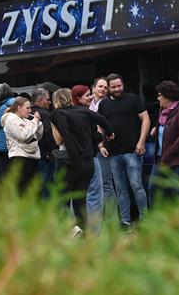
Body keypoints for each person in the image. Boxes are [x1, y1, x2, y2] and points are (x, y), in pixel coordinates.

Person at [50, 88, 113, 238]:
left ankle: (71, 230)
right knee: (80, 200)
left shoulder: (57, 114)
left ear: (56, 101)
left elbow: (64, 136)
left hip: (71, 161)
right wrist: (109, 133)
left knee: (61, 198)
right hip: (88, 163)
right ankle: (83, 233)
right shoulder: (82, 111)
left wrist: (73, 157)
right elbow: (102, 120)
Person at [98, 74, 151, 229]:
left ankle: (145, 219)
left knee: (136, 185)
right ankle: (126, 221)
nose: (117, 89)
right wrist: (101, 145)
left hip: (132, 151)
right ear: (108, 88)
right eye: (113, 87)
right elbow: (100, 127)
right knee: (120, 189)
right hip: (113, 153)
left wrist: (141, 142)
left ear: (123, 84)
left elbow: (146, 119)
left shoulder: (133, 99)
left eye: (119, 86)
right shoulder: (103, 104)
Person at [153, 80, 179, 205]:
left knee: (178, 193)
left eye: (160, 95)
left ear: (168, 97)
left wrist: (170, 152)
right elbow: (167, 129)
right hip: (162, 159)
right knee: (154, 190)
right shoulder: (163, 112)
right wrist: (157, 130)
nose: (158, 98)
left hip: (178, 161)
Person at [1, 96, 43, 190]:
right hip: (20, 159)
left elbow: (38, 137)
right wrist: (35, 121)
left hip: (32, 158)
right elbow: (23, 135)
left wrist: (38, 124)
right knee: (23, 192)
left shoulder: (25, 120)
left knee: (34, 192)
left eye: (30, 108)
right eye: (27, 108)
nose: (30, 111)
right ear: (19, 108)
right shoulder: (11, 119)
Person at [89, 76, 115, 224]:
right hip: (92, 148)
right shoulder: (89, 104)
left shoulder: (107, 104)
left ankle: (111, 219)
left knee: (106, 183)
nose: (103, 89)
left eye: (105, 87)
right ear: (93, 88)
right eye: (100, 86)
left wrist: (101, 145)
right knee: (96, 185)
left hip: (103, 147)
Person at [31, 88, 57, 193]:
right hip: (44, 154)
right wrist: (51, 150)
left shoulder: (27, 112)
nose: (50, 102)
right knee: (46, 184)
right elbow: (48, 134)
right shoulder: (45, 114)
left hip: (30, 154)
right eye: (48, 99)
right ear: (41, 100)